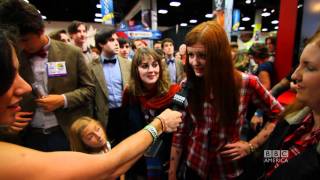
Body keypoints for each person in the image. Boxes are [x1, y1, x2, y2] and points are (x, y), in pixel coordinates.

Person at [0, 27, 182, 179]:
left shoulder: (175, 92)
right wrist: (159, 123)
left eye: (155, 65)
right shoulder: (128, 90)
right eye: (11, 75)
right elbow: (109, 166)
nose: (25, 87)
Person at [168, 21, 283, 180]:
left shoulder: (247, 83)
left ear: (219, 55)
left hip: (229, 171)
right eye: (191, 55)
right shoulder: (187, 85)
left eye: (202, 55)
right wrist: (172, 173)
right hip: (194, 166)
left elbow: (278, 115)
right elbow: (180, 131)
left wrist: (251, 146)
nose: (194, 62)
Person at [0, 0, 95, 151]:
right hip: (27, 135)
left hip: (64, 131)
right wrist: (6, 119)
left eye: (25, 40)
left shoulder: (72, 53)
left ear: (41, 31)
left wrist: (63, 99)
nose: (21, 46)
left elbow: (89, 90)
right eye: (18, 42)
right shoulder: (12, 56)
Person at [261, 29, 320, 180]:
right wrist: (254, 149)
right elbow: (271, 158)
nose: (294, 76)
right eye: (299, 64)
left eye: (310, 67)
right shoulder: (297, 119)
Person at [121, 47, 181, 179]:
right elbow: (125, 127)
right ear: (136, 70)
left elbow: (182, 128)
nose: (151, 70)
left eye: (155, 65)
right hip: (138, 157)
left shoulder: (173, 92)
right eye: (144, 66)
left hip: (166, 157)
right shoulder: (130, 93)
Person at [91, 28, 131, 146]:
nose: (116, 43)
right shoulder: (91, 67)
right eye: (111, 40)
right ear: (101, 44)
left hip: (126, 113)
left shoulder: (128, 64)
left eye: (116, 40)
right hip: (104, 116)